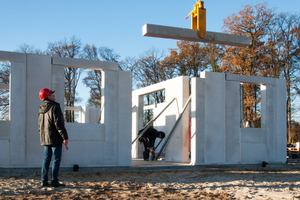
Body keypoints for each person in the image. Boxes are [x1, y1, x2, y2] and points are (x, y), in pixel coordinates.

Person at [38, 88, 69, 187]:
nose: (54, 95)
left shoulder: (41, 108)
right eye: (52, 94)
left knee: (46, 159)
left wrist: (42, 134)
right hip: (55, 137)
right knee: (56, 159)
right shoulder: (55, 106)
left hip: (45, 137)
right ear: (48, 96)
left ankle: (44, 180)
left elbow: (39, 125)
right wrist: (65, 137)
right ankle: (54, 181)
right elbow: (59, 124)